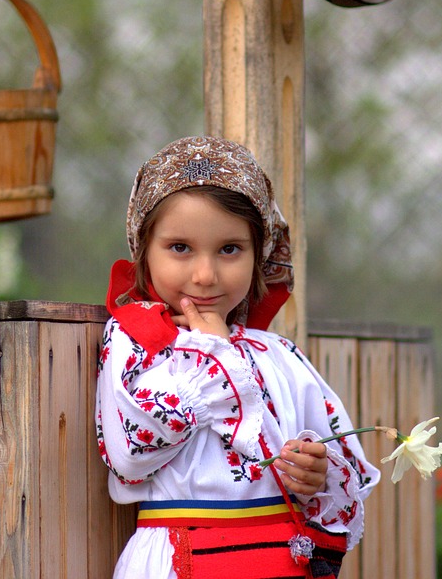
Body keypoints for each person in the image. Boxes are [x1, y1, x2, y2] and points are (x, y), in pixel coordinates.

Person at [95, 136, 380, 579]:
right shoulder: (137, 342)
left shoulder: (277, 355)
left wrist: (315, 473)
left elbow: (338, 466)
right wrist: (209, 354)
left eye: (229, 249)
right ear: (143, 252)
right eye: (180, 248)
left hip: (277, 561)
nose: (205, 275)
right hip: (179, 557)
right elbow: (131, 453)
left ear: (258, 253)